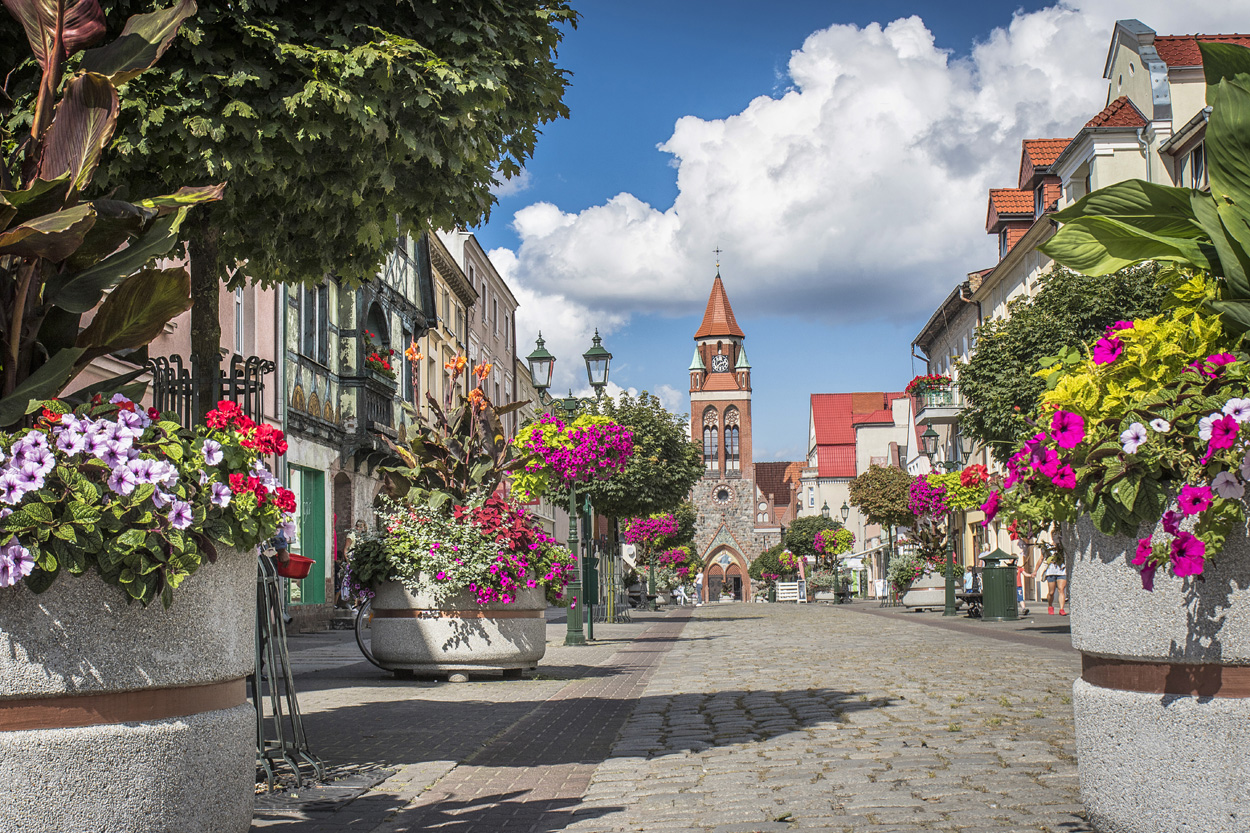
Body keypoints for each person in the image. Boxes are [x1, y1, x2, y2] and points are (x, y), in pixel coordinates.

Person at [1042, 549, 1068, 615]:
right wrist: (1035, 570)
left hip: (1061, 570)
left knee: (1061, 589)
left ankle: (1061, 609)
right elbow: (1041, 558)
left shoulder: (1062, 545)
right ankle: (1050, 606)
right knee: (1051, 592)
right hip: (1051, 572)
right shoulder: (1047, 547)